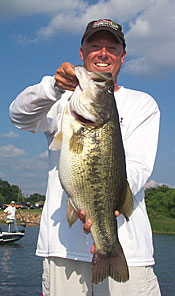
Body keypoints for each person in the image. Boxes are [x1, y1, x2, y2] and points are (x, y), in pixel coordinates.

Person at [9, 19, 161, 296]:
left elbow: (139, 167)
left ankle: (108, 247)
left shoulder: (143, 104)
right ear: (82, 53)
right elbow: (18, 116)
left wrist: (106, 206)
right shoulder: (61, 102)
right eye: (95, 46)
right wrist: (53, 88)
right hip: (62, 249)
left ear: (122, 57)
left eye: (111, 48)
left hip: (128, 248)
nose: (103, 53)